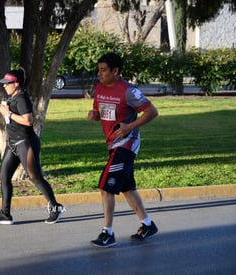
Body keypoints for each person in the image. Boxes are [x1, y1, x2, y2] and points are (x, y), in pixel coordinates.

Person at [88, 53, 159, 247]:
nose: (99, 74)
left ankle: (108, 233)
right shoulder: (99, 88)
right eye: (99, 70)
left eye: (103, 70)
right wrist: (94, 115)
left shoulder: (129, 91)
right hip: (112, 144)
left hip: (127, 144)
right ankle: (148, 224)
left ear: (116, 71)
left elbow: (152, 112)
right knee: (127, 187)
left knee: (106, 186)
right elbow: (100, 111)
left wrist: (129, 127)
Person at [0, 68, 65, 225]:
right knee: (4, 176)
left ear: (16, 83)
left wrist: (8, 114)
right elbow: (32, 111)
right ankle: (5, 214)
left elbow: (28, 121)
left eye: (7, 84)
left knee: (35, 177)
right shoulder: (14, 96)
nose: (4, 86)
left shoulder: (21, 98)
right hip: (13, 143)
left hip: (26, 143)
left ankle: (55, 207)